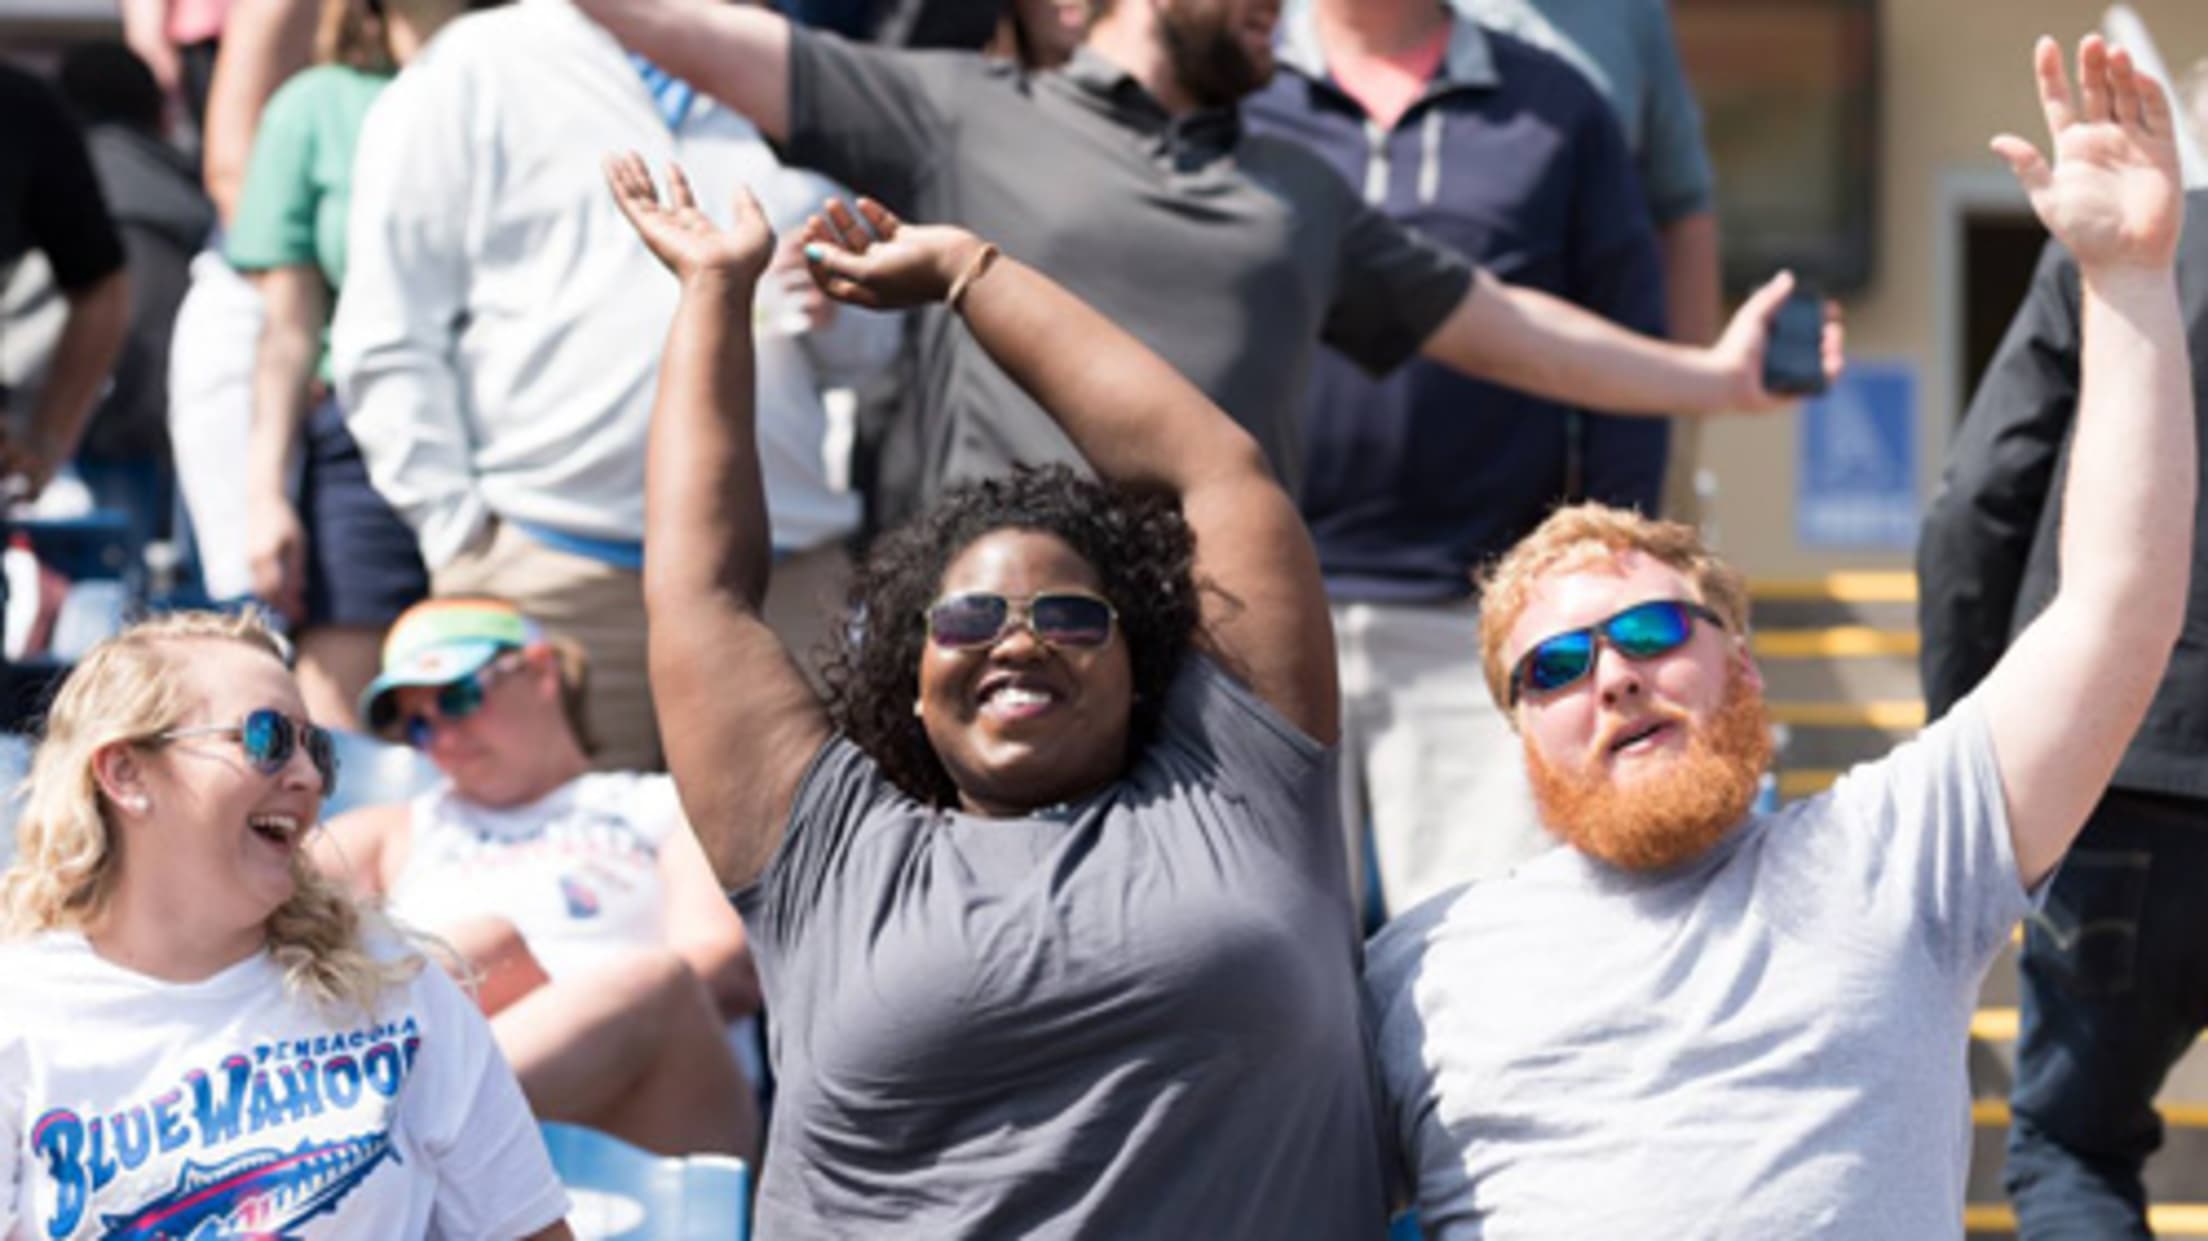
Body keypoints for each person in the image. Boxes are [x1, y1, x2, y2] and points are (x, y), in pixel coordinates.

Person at [1368, 35, 2192, 1235]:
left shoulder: (1897, 857)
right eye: (1554, 666)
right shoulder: (1419, 969)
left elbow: (2118, 603)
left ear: (1739, 665)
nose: (1612, 676)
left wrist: (2128, 280)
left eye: (1651, 629)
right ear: (1523, 730)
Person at [608, 148, 1379, 1231]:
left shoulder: (1242, 782)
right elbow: (700, 594)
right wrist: (713, 296)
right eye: (968, 620)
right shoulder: (827, 849)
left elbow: (1214, 473)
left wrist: (971, 274)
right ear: (914, 684)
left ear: (1139, 667)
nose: (1019, 642)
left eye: (1069, 617)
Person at [570, 0, 1836, 513]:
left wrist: (1710, 380)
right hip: (1001, 644)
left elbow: (1505, 324)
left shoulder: (1296, 187)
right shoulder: (960, 110)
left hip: (1227, 669)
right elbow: (716, 40)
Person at [333, 0, 898, 769]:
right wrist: (462, 533)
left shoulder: (795, 67)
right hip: (556, 579)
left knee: (814, 875)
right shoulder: (471, 68)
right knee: (554, 881)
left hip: (783, 576)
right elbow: (386, 331)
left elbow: (870, 354)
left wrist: (842, 312)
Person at [1244, 0, 1666, 911]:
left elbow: (1628, 351)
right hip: (1254, 616)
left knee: (1493, 954)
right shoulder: (1235, 87)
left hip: (1477, 626)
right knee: (1262, 962)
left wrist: (1601, 584)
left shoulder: (1559, 105)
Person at [0, 610, 571, 1238]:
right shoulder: (20, 1009)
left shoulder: (395, 986)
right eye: (266, 738)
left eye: (316, 747)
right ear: (126, 774)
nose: (307, 777)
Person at [1918, 80, 2208, 1241]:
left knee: (2071, 1139)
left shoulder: (2131, 257)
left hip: (2121, 762)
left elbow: (1979, 498)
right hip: (2129, 757)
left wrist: (1978, 745)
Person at [310, 596, 762, 1159]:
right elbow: (251, 915)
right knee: (480, 948)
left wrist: (559, 1004)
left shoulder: (658, 805)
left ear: (541, 671)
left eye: (458, 698)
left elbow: (721, 964)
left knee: (656, 981)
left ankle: (357, 1157)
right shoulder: (396, 831)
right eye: (418, 725)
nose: (443, 737)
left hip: (650, 1109)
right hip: (465, 1089)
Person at [228, 0, 475, 728]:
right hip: (360, 443)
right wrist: (265, 492)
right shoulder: (312, 107)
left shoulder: (538, 87)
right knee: (339, 723)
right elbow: (287, 326)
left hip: (516, 439)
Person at [1453, 0, 1724, 521]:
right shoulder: (1364, 20)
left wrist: (1683, 411)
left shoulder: (1626, 14)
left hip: (1599, 428)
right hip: (1428, 430)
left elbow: (1684, 211)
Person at [55, 43, 215, 574]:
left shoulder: (81, 188)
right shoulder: (199, 188)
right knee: (195, 598)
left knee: (101, 582)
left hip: (103, 425)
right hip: (195, 418)